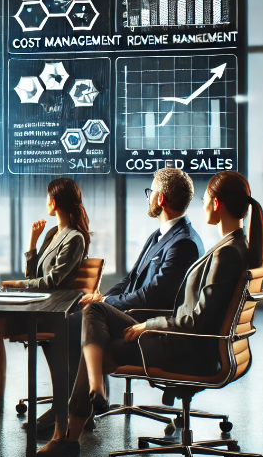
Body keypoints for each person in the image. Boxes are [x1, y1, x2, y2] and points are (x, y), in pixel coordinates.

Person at [46, 170, 263, 457]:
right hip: (187, 341)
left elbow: (197, 321)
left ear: (217, 203)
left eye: (205, 199)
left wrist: (148, 324)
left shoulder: (226, 253)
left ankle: (68, 435)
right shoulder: (234, 246)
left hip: (186, 347)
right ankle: (71, 433)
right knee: (97, 332)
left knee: (98, 340)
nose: (202, 204)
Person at [29, 168, 205, 436]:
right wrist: (106, 297)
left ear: (161, 200)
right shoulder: (162, 235)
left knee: (72, 322)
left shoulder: (184, 243)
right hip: (135, 310)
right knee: (76, 316)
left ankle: (68, 409)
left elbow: (154, 295)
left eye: (151, 192)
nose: (148, 198)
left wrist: (110, 304)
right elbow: (132, 278)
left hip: (148, 321)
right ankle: (72, 405)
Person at [0, 179, 89, 420]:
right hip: (37, 302)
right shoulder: (53, 233)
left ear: (54, 201)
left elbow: (53, 282)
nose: (45, 201)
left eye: (47, 197)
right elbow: (34, 275)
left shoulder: (74, 238)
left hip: (50, 311)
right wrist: (32, 242)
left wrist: (18, 284)